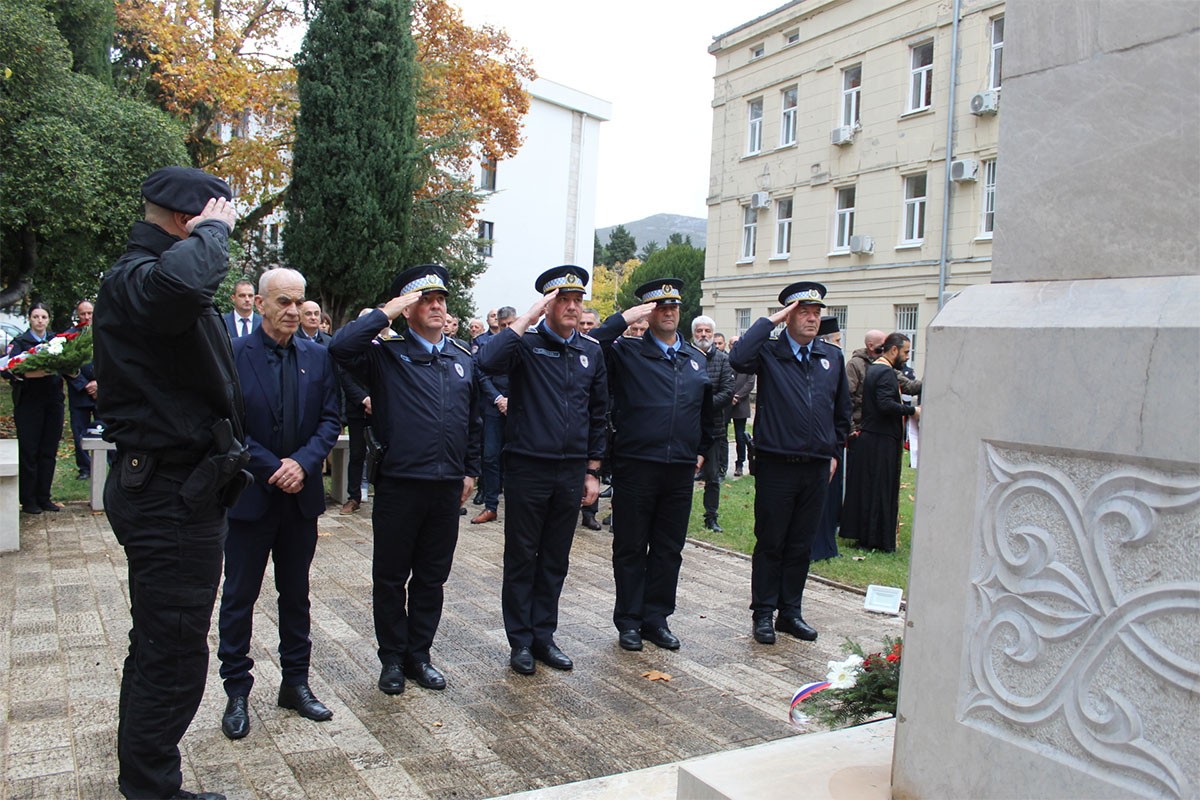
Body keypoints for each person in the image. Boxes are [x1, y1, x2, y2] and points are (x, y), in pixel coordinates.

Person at [94, 165, 242, 800]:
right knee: (174, 653)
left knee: (162, 643)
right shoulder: (140, 278)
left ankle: (147, 782)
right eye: (217, 226)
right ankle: (152, 790)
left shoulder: (151, 279)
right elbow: (180, 288)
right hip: (167, 495)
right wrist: (213, 234)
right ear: (189, 222)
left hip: (180, 488)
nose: (222, 243)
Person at [330, 264, 481, 694]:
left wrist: (470, 469)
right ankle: (392, 658)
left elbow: (473, 420)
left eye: (441, 300)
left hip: (446, 486)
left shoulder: (460, 358)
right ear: (408, 308)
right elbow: (340, 348)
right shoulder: (385, 354)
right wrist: (388, 312)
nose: (436, 306)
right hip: (400, 482)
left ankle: (420, 655)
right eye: (425, 300)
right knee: (392, 577)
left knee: (432, 577)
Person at [217, 268, 341, 740]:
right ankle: (237, 692)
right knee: (239, 596)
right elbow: (226, 422)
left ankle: (296, 683)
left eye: (299, 302)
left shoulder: (317, 355)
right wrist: (275, 466)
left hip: (299, 499)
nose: (293, 311)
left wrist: (304, 463)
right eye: (284, 302)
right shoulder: (233, 354)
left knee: (296, 595)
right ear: (261, 303)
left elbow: (331, 418)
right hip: (251, 495)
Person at [477, 265, 607, 675]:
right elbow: (486, 360)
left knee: (555, 557)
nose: (571, 307)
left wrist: (592, 469)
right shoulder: (525, 345)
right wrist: (527, 318)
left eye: (576, 300)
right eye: (562, 301)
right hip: (528, 467)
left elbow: (600, 412)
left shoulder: (591, 350)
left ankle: (544, 636)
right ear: (548, 305)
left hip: (570, 471)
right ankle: (519, 642)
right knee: (521, 557)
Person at [593, 279, 712, 651]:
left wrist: (704, 449)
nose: (670, 312)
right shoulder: (626, 352)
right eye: (660, 306)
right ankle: (628, 620)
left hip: (679, 468)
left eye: (674, 305)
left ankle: (656, 618)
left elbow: (706, 411)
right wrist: (627, 317)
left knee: (668, 548)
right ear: (648, 311)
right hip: (636, 464)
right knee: (630, 546)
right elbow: (592, 341)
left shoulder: (695, 358)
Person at [728, 281, 850, 646]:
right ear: (789, 316)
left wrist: (834, 453)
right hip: (777, 464)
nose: (812, 319)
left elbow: (842, 412)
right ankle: (763, 613)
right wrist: (772, 320)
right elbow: (738, 358)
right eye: (804, 312)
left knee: (801, 543)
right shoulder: (768, 352)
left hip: (815, 466)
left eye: (817, 313)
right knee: (771, 541)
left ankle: (790, 612)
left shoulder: (831, 357)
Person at [839, 333, 919, 552]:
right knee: (878, 491)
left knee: (870, 489)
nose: (907, 356)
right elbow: (885, 405)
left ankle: (866, 534)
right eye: (905, 352)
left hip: (875, 438)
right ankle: (874, 538)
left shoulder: (876, 368)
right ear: (893, 350)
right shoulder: (883, 372)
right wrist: (913, 410)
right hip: (880, 440)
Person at [3, 303, 65, 514]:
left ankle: (44, 497)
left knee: (48, 450)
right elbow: (7, 368)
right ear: (30, 319)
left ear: (48, 319)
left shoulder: (57, 342)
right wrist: (27, 373)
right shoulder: (21, 343)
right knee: (30, 451)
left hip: (53, 402)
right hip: (29, 403)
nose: (40, 320)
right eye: (36, 316)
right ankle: (28, 500)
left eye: (44, 317)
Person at [471, 305, 515, 525]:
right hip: (493, 406)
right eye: (503, 325)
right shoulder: (487, 345)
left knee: (516, 458)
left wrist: (512, 401)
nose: (507, 329)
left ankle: (517, 508)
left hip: (518, 409)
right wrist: (499, 399)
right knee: (489, 456)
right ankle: (490, 506)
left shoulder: (523, 343)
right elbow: (480, 373)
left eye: (510, 325)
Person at [691, 315, 734, 532]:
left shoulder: (723, 359)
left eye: (707, 331)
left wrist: (703, 405)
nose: (703, 335)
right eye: (699, 331)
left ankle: (711, 517)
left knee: (713, 477)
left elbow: (728, 392)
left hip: (715, 428)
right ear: (693, 334)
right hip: (688, 428)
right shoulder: (685, 356)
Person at [811, 315, 846, 561]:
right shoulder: (823, 359)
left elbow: (841, 406)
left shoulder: (836, 359)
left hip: (831, 443)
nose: (839, 345)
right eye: (836, 340)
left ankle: (826, 544)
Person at [337, 308, 377, 515]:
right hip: (357, 408)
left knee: (382, 453)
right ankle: (353, 497)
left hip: (380, 410)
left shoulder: (384, 346)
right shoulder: (350, 347)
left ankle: (382, 494)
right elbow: (345, 376)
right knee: (357, 453)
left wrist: (377, 400)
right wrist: (363, 399)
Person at [65, 300, 100, 480]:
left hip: (102, 393)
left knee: (105, 429)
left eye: (89, 313)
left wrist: (99, 384)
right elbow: (66, 364)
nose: (86, 317)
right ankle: (85, 468)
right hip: (79, 393)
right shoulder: (70, 336)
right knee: (80, 431)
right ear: (77, 316)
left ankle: (108, 463)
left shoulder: (105, 334)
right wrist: (85, 384)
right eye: (82, 314)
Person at [576, 307, 603, 529]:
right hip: (572, 424)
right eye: (582, 324)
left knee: (593, 469)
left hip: (592, 421)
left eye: (589, 325)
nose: (585, 328)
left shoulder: (596, 350)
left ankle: (589, 513)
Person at [729, 365, 755, 478]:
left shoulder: (748, 365)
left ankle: (740, 464)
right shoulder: (728, 361)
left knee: (740, 436)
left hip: (740, 405)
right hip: (725, 402)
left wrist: (737, 396)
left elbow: (749, 384)